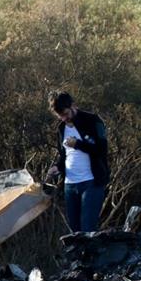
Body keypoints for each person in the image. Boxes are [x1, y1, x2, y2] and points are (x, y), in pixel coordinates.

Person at [46, 90, 110, 233]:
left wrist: (78, 144)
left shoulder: (93, 121)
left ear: (73, 105)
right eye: (60, 116)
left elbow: (102, 150)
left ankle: (92, 255)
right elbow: (64, 155)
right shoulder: (61, 128)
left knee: (87, 230)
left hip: (91, 182)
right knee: (74, 231)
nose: (64, 118)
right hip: (70, 184)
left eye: (66, 114)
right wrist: (57, 167)